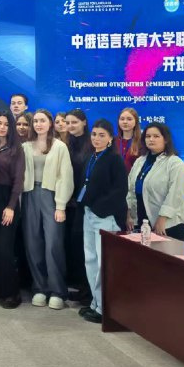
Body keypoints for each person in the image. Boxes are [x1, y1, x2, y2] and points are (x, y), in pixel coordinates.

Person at [21, 109, 73, 310]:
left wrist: (61, 205)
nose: (38, 124)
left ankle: (57, 290)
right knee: (33, 243)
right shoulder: (25, 146)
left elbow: (65, 177)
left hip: (51, 196)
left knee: (53, 244)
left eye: (42, 121)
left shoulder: (60, 147)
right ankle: (40, 288)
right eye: (35, 121)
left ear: (50, 123)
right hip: (29, 195)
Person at [77, 119, 128, 324]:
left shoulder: (114, 159)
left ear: (110, 139)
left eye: (101, 135)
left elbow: (120, 191)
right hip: (88, 214)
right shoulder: (92, 157)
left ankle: (105, 308)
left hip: (106, 217)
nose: (96, 138)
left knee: (103, 263)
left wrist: (100, 209)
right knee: (91, 260)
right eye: (94, 134)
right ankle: (96, 303)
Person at [127, 123, 184, 241]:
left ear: (166, 139)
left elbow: (176, 195)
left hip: (167, 225)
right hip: (141, 221)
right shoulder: (140, 161)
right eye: (148, 136)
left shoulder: (175, 164)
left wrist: (162, 219)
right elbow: (130, 190)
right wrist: (129, 215)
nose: (151, 139)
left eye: (156, 136)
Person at [0, 111, 25, 309]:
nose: (2, 127)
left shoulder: (16, 149)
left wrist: (11, 206)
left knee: (5, 248)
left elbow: (18, 181)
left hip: (7, 200)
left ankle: (11, 293)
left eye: (6, 124)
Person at [64, 108, 93, 303]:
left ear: (84, 122)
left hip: (84, 203)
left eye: (74, 122)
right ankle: (76, 285)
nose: (70, 126)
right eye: (68, 123)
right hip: (66, 202)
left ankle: (87, 289)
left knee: (84, 247)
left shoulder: (91, 143)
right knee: (71, 246)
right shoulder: (64, 143)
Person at [115, 107, 142, 172]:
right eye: (122, 119)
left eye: (129, 119)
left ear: (136, 121)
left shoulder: (141, 142)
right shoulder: (113, 142)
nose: (125, 122)